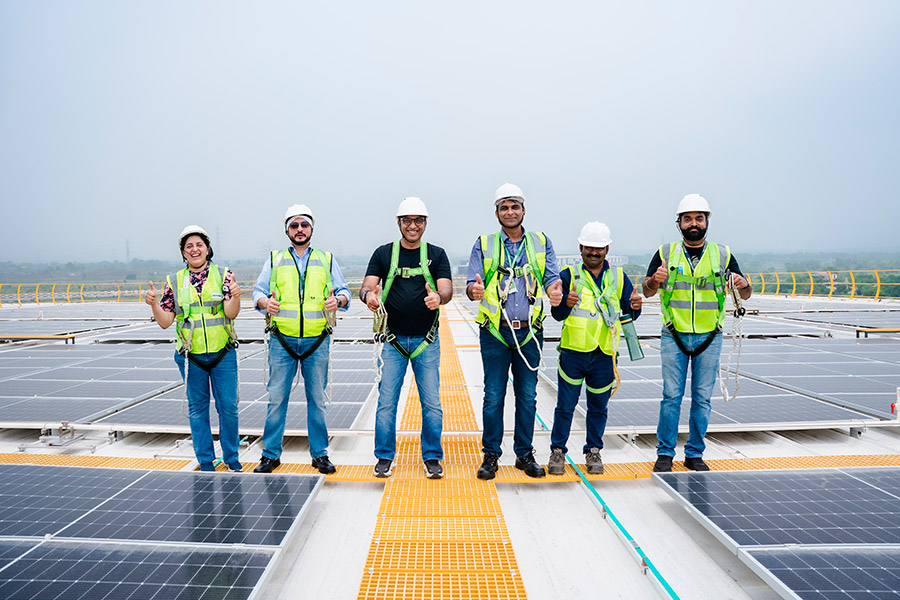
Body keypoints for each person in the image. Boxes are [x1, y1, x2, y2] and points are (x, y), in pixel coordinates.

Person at [643, 194, 752, 472]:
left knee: (702, 397)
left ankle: (694, 454)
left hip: (709, 337)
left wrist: (742, 283)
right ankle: (665, 453)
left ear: (707, 222)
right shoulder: (665, 253)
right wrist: (654, 280)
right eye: (688, 219)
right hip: (674, 334)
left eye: (699, 218)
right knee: (671, 396)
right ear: (678, 223)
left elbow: (746, 293)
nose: (694, 223)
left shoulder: (723, 254)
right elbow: (647, 290)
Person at [466, 183, 563, 480]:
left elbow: (551, 277)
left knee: (528, 395)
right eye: (504, 207)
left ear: (523, 210)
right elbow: (471, 285)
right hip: (496, 332)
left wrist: (555, 291)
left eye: (515, 207)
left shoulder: (540, 242)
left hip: (529, 332)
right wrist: (475, 290)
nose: (510, 212)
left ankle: (524, 453)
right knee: (493, 395)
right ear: (496, 212)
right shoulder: (484, 244)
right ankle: (491, 455)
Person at [251, 204, 351, 474]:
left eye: (303, 225)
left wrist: (337, 300)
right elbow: (258, 292)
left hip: (316, 341)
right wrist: (264, 303)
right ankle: (270, 455)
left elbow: (344, 291)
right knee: (276, 400)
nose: (299, 230)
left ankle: (319, 455)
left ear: (311, 229)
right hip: (282, 341)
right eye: (294, 225)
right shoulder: (275, 259)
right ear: (287, 230)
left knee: (316, 400)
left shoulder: (326, 259)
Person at [360, 197, 453, 479]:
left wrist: (439, 297)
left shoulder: (436, 255)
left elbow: (447, 290)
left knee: (431, 402)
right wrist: (369, 297)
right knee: (387, 401)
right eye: (407, 221)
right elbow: (367, 287)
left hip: (426, 340)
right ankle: (384, 456)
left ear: (425, 224)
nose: (413, 226)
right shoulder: (383, 254)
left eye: (418, 221)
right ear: (399, 223)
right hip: (393, 340)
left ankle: (432, 457)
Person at [144, 225, 242, 472]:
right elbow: (166, 322)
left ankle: (232, 458)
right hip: (191, 357)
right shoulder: (174, 282)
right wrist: (154, 304)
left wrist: (237, 296)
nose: (194, 249)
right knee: (198, 410)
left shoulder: (224, 275)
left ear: (208, 249)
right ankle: (206, 461)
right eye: (189, 246)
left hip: (223, 353)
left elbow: (231, 312)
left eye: (199, 245)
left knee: (228, 407)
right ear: (183, 253)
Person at [547, 222, 642, 475]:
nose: (594, 252)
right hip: (573, 353)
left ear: (607, 249)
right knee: (565, 406)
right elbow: (557, 315)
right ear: (580, 247)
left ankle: (593, 450)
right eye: (589, 247)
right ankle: (558, 451)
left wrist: (635, 306)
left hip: (604, 355)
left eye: (599, 248)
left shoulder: (620, 278)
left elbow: (630, 314)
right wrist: (565, 303)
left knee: (598, 407)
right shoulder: (568, 275)